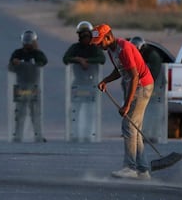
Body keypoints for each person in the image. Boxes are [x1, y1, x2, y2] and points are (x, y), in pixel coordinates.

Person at [90, 24, 154, 180]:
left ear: (108, 37)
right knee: (134, 128)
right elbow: (120, 70)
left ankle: (130, 167)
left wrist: (126, 104)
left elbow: (134, 76)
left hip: (142, 86)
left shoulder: (123, 48)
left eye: (99, 42)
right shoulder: (112, 50)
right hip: (138, 85)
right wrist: (106, 80)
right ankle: (143, 170)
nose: (98, 46)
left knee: (128, 126)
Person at [62, 21, 105, 142]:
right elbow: (65, 59)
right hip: (77, 82)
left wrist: (88, 61)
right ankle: (75, 134)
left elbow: (102, 59)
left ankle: (89, 134)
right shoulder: (75, 48)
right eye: (83, 35)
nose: (85, 37)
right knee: (75, 110)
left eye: (87, 35)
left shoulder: (94, 48)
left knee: (91, 111)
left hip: (91, 83)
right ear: (79, 36)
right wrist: (78, 59)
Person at [8, 30, 48, 142]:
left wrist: (36, 51)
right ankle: (17, 135)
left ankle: (38, 135)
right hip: (20, 86)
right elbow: (10, 67)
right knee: (20, 112)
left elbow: (43, 62)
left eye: (30, 41)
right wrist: (14, 63)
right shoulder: (17, 53)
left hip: (34, 86)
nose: (28, 44)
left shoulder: (37, 54)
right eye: (26, 41)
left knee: (35, 112)